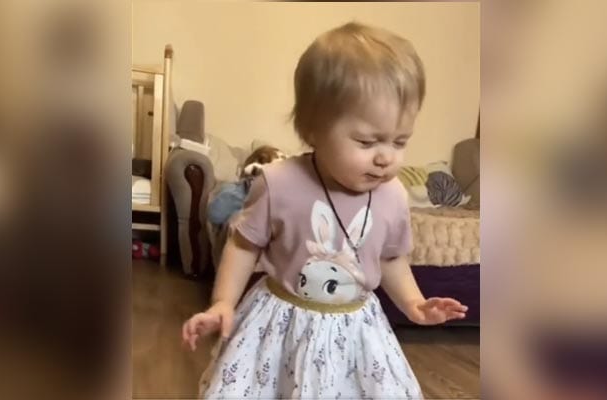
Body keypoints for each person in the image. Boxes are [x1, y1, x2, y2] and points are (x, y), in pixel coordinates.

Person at [182, 21, 468, 399]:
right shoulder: (278, 182)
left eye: (400, 142)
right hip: (281, 323)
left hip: (356, 331)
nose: (386, 157)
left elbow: (390, 259)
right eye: (367, 141)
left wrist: (414, 304)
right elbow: (243, 245)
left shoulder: (393, 195)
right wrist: (223, 302)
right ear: (313, 130)